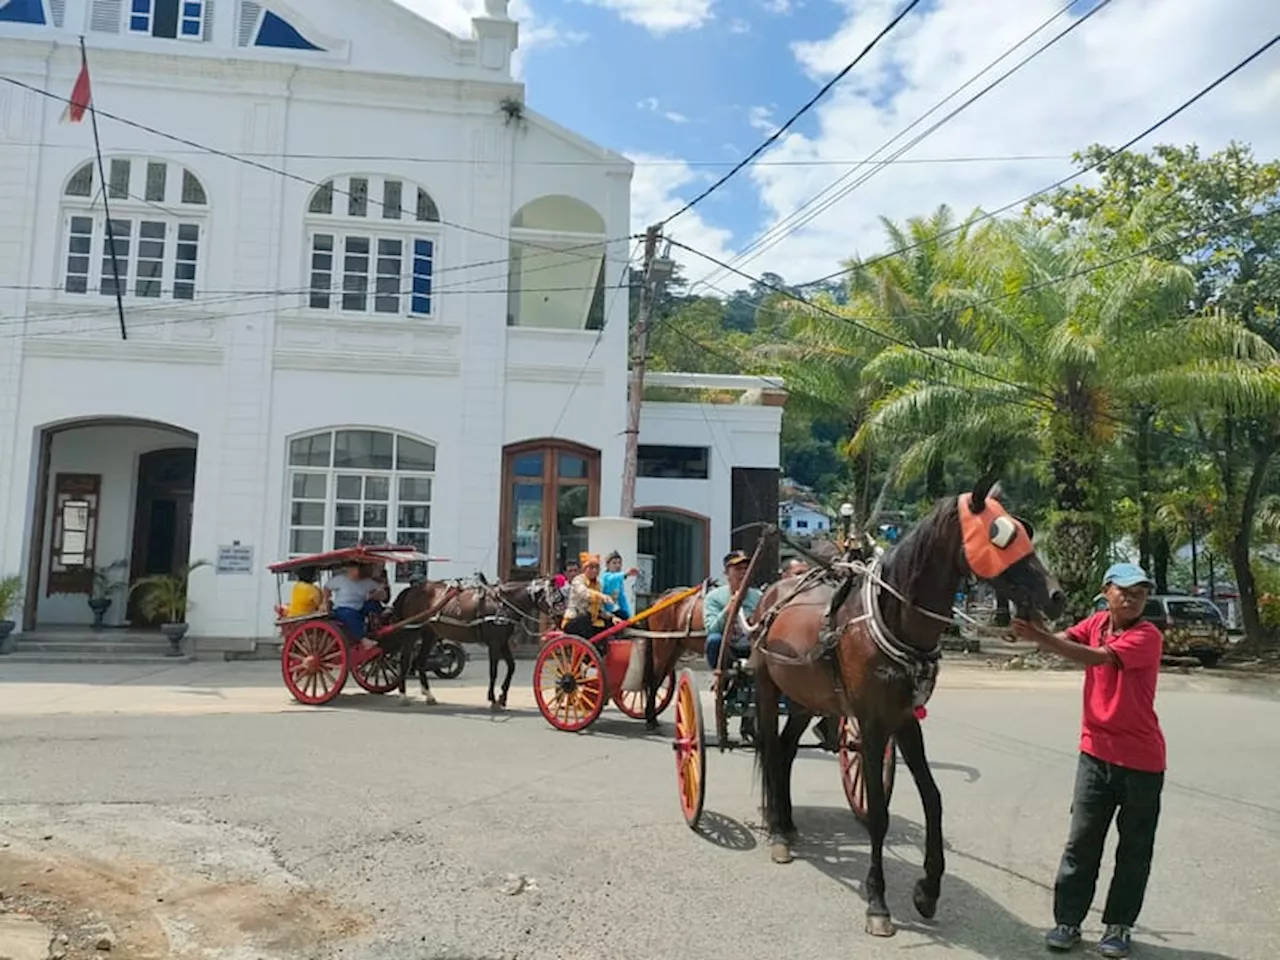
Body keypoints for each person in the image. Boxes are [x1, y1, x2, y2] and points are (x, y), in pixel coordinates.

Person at [1012, 563, 1166, 960]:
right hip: (1095, 754)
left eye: (1140, 592)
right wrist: (1030, 631)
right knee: (1081, 843)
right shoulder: (1098, 622)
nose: (1132, 598)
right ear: (1106, 591)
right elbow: (1065, 638)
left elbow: (1092, 658)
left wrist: (1044, 640)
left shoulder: (1146, 636)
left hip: (1142, 761)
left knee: (1134, 850)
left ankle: (1118, 926)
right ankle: (1068, 921)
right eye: (1125, 590)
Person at [704, 550, 762, 669]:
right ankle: (720, 676)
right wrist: (727, 611)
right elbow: (711, 629)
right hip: (728, 646)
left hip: (752, 645)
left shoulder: (759, 597)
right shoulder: (714, 597)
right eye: (738, 569)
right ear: (726, 572)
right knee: (713, 640)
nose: (743, 572)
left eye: (747, 568)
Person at [323, 560, 383, 651]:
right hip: (342, 609)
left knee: (372, 605)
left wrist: (374, 595)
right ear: (348, 569)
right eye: (354, 567)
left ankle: (379, 627)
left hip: (359, 607)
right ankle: (363, 640)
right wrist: (325, 601)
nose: (356, 571)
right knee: (350, 615)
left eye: (359, 567)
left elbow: (381, 591)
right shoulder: (340, 579)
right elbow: (326, 587)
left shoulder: (366, 581)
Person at [561, 553, 619, 640]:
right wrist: (601, 595)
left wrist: (612, 617)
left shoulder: (599, 585)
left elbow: (600, 609)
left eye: (597, 568)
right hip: (573, 621)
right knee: (585, 618)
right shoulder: (578, 580)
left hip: (591, 622)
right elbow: (584, 593)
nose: (594, 570)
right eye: (591, 568)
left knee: (612, 624)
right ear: (584, 569)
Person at [600, 550, 638, 621]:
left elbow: (622, 599)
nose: (617, 565)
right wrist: (626, 574)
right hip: (602, 611)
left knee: (624, 615)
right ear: (607, 565)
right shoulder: (605, 577)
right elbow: (612, 578)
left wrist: (630, 616)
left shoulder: (619, 580)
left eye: (619, 563)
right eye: (614, 563)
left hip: (614, 611)